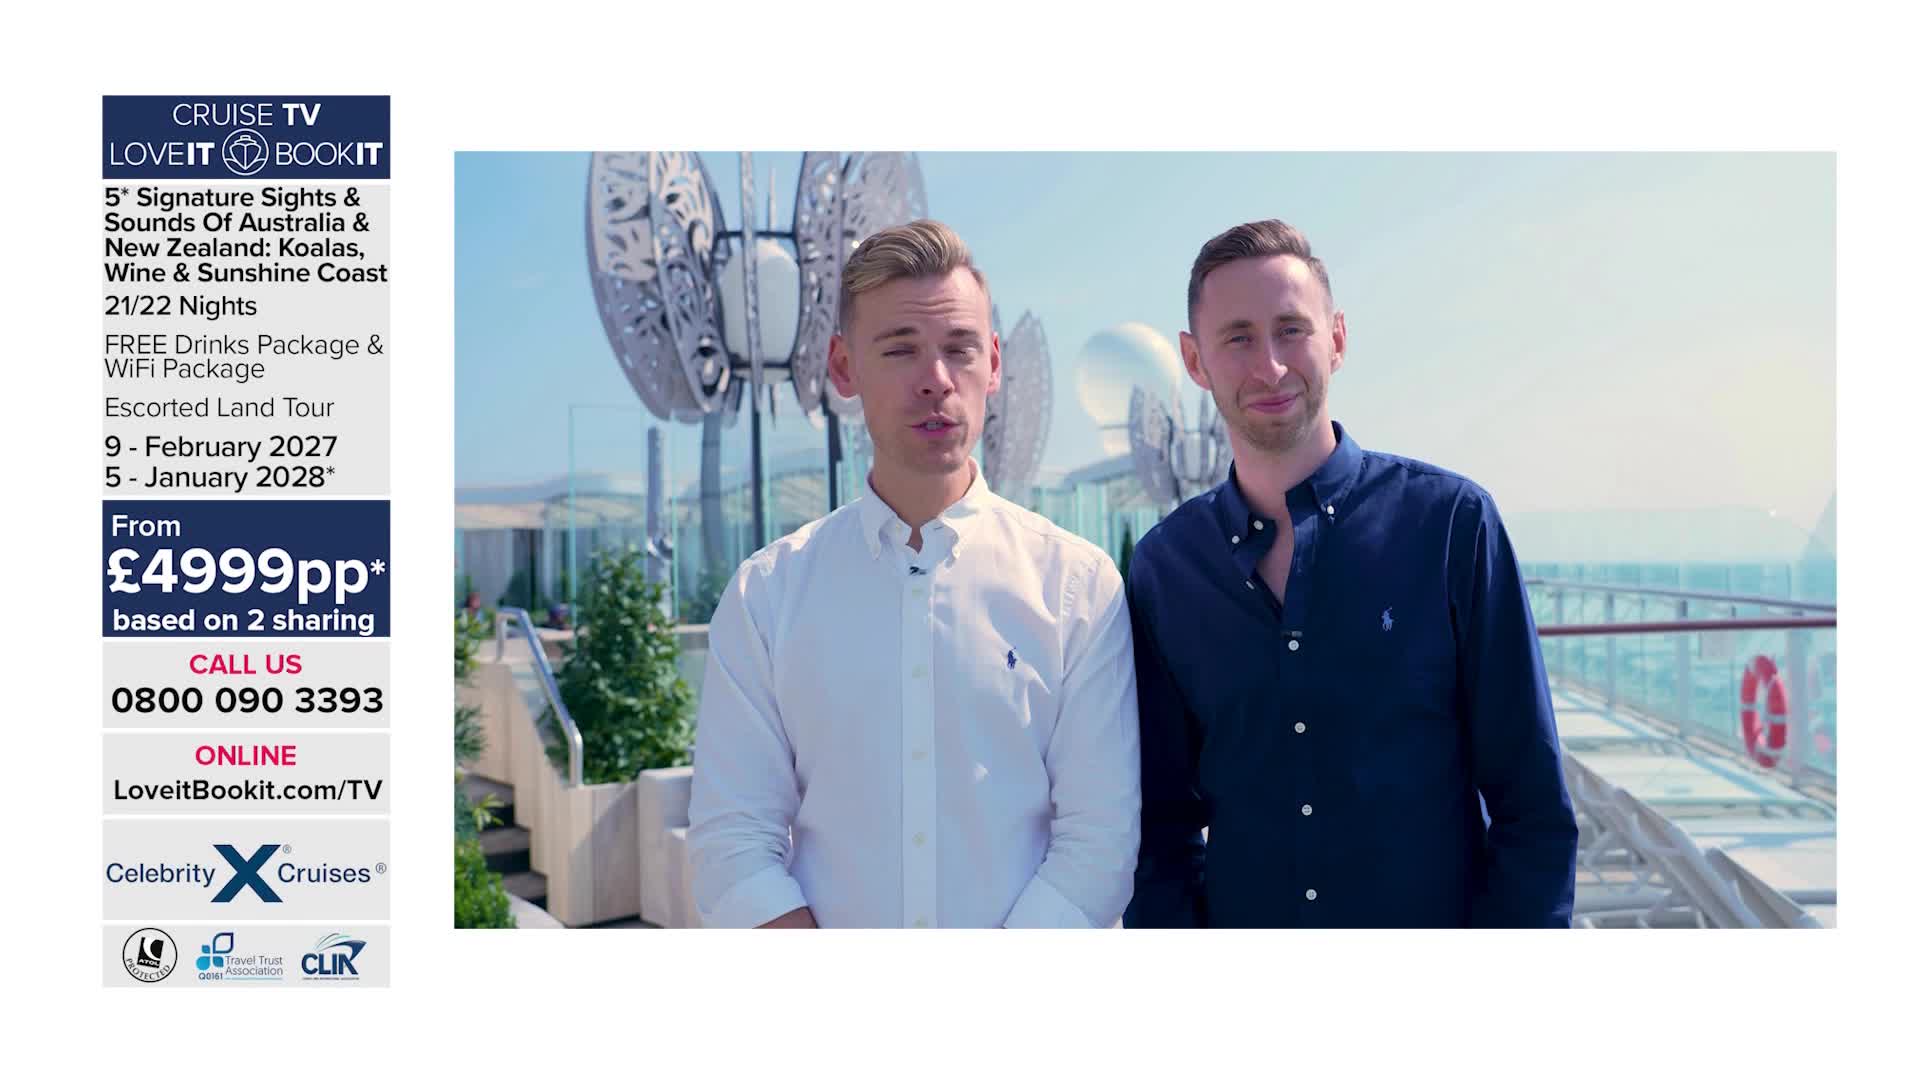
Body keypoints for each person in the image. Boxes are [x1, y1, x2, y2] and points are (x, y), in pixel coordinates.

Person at [1122, 219, 1577, 928]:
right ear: (1194, 360)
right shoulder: (1165, 570)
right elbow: (1161, 829)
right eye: (1238, 338)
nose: (1271, 366)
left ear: (1336, 338)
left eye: (1291, 330)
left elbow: (1532, 806)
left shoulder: (1451, 525)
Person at [688, 219, 1140, 929]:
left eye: (959, 349)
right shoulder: (766, 595)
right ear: (844, 368)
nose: (936, 380)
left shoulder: (1077, 586)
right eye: (900, 349)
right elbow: (731, 842)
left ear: (994, 363)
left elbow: (1101, 840)